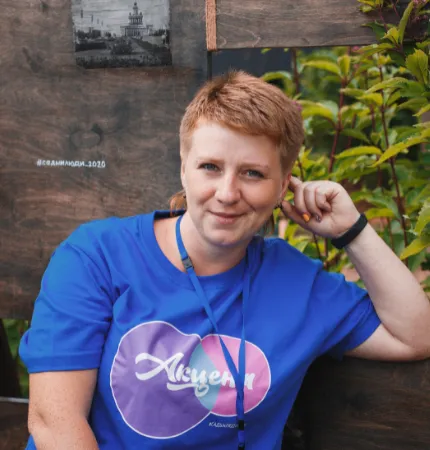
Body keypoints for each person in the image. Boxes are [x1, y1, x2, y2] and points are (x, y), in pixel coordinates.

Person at [19, 71, 430, 450]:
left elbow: (416, 336)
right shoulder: (96, 256)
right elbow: (55, 423)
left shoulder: (296, 285)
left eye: (253, 173)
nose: (228, 193)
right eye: (210, 167)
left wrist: (352, 230)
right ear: (184, 168)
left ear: (283, 185)